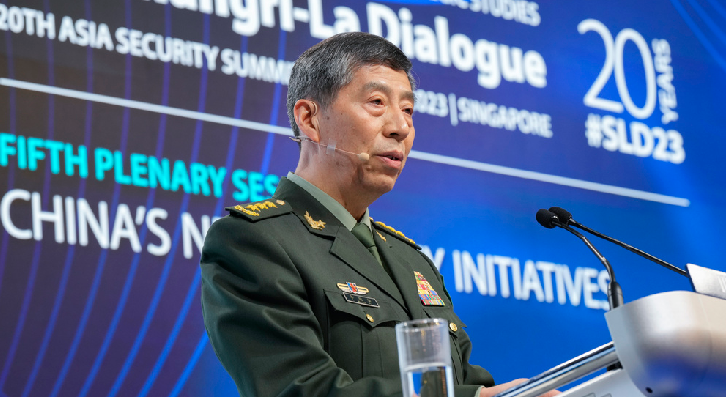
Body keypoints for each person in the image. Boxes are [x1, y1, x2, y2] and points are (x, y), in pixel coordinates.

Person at [200, 32, 559, 397]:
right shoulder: (254, 241)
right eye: (376, 102)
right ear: (309, 119)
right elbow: (302, 389)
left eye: (408, 110)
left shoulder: (411, 261)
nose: (400, 127)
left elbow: (461, 383)